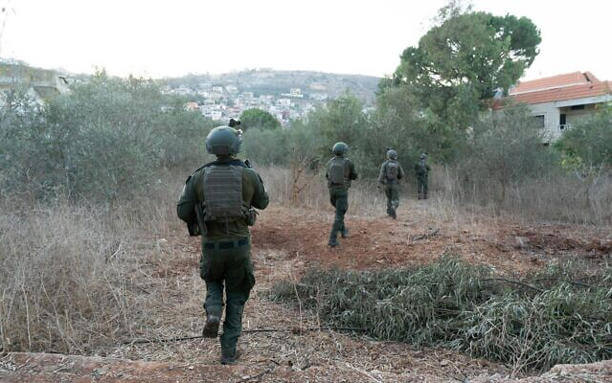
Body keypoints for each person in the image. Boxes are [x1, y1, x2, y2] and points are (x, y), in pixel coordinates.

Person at [177, 122, 269, 365]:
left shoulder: (198, 176)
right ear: (235, 147)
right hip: (239, 247)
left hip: (211, 247)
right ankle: (228, 351)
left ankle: (214, 311)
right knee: (237, 295)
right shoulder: (247, 174)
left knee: (213, 282)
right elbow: (263, 202)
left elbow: (183, 211)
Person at [325, 142, 358, 247]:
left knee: (340, 211)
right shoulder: (348, 162)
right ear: (344, 151)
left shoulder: (329, 162)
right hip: (342, 192)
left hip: (332, 192)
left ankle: (343, 231)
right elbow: (354, 176)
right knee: (339, 214)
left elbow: (327, 176)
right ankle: (332, 240)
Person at [378, 149, 405, 219]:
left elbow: (381, 175)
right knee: (395, 199)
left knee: (389, 198)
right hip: (395, 184)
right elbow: (402, 174)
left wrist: (380, 183)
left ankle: (389, 213)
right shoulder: (397, 164)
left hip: (387, 184)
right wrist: (398, 178)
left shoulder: (385, 164)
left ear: (388, 156)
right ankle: (393, 207)